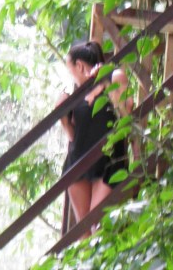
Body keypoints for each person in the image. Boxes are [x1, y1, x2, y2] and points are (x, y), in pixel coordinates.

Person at [57, 40, 130, 226]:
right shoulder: (76, 93)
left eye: (70, 70)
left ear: (79, 66)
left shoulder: (114, 76)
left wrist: (105, 82)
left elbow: (126, 115)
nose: (71, 77)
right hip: (79, 161)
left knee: (98, 224)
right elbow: (74, 136)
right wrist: (63, 119)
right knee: (83, 229)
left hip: (108, 160)